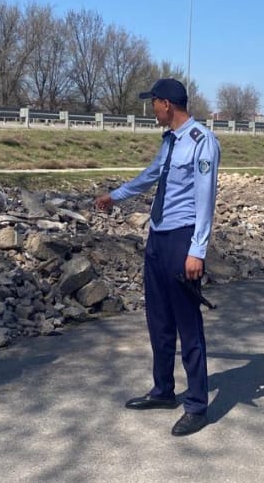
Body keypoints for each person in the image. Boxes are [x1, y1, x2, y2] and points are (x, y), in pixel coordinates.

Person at [95, 78, 220, 436]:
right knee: (159, 319)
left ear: (167, 104)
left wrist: (197, 250)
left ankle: (197, 405)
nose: (151, 109)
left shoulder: (202, 141)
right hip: (158, 237)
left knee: (188, 325)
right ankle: (163, 390)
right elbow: (151, 176)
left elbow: (205, 199)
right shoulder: (169, 141)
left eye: (153, 103)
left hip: (182, 239)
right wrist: (115, 196)